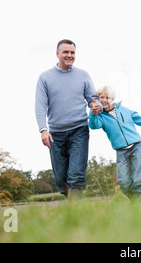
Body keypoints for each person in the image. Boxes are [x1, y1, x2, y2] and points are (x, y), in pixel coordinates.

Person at [35, 39, 101, 200]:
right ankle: (72, 205)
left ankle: (75, 215)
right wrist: (43, 130)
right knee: (61, 180)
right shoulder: (45, 77)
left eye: (72, 52)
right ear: (57, 54)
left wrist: (96, 106)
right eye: (66, 52)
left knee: (76, 175)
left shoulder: (83, 75)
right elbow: (40, 105)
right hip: (55, 134)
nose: (69, 55)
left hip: (79, 130)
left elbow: (93, 99)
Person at [89, 85, 141, 202]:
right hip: (121, 151)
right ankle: (134, 201)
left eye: (108, 97)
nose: (105, 100)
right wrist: (93, 113)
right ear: (97, 99)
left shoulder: (123, 109)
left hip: (136, 147)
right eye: (102, 97)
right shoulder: (100, 116)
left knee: (138, 179)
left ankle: (138, 207)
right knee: (124, 183)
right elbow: (94, 125)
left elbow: (139, 119)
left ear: (113, 99)